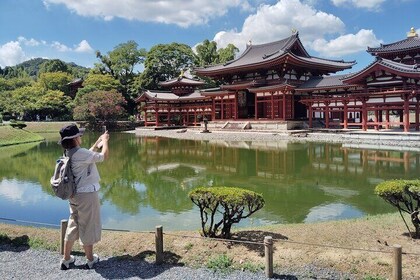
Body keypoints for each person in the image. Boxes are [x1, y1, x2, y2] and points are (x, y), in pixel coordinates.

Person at [58, 124, 109, 270]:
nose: (81, 137)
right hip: (86, 195)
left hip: (74, 195)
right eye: (79, 135)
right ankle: (91, 259)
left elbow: (89, 153)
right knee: (88, 225)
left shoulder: (69, 152)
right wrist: (105, 141)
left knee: (74, 223)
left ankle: (66, 259)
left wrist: (98, 142)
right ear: (75, 138)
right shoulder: (80, 154)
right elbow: (103, 157)